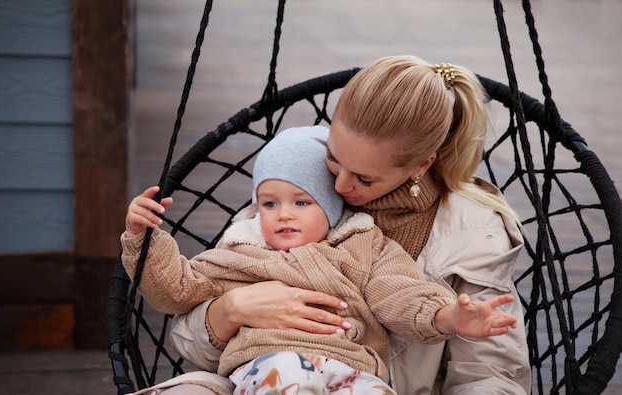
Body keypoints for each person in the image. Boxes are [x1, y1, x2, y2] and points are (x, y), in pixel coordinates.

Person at [165, 55, 532, 394]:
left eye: (364, 179)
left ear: (421, 165)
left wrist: (448, 317)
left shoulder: (473, 233)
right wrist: (232, 308)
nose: (339, 187)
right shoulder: (300, 189)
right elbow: (188, 342)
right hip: (264, 375)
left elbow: (490, 376)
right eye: (333, 158)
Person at [121, 126, 518, 395]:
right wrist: (144, 238)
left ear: (330, 207)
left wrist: (447, 317)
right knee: (287, 381)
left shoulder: (362, 245)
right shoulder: (241, 251)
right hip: (272, 362)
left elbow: (399, 292)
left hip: (356, 370)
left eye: (302, 202)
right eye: (269, 203)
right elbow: (175, 288)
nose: (284, 214)